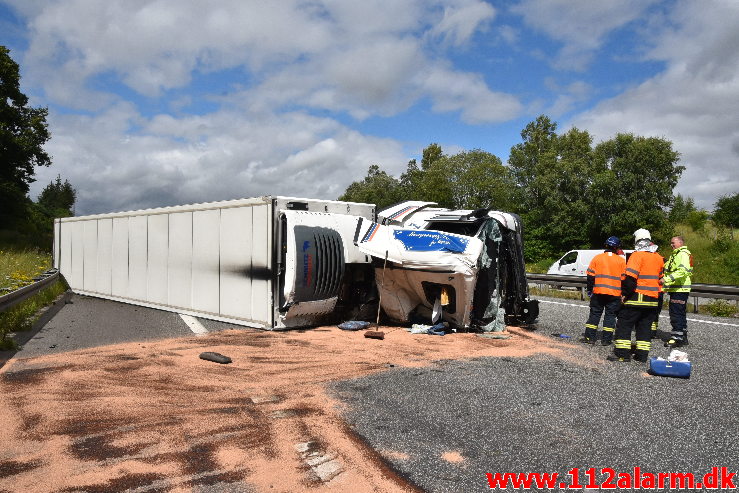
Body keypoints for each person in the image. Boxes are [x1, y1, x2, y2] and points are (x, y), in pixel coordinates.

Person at [608, 229, 664, 363]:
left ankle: (622, 354)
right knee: (644, 328)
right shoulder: (658, 257)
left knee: (624, 325)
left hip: (637, 298)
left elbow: (630, 279)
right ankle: (642, 355)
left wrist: (624, 295)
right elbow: (661, 279)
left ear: (637, 241)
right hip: (653, 300)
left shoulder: (637, 255)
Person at [580, 236, 626, 345]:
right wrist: (623, 294)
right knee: (610, 316)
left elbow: (590, 277)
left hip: (598, 292)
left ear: (606, 245)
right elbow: (624, 280)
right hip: (614, 294)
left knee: (595, 314)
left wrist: (590, 290)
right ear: (617, 247)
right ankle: (606, 340)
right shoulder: (621, 261)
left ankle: (589, 338)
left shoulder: (597, 258)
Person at [662, 236, 693, 347]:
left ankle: (677, 338)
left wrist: (666, 279)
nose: (671, 245)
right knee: (680, 313)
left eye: (673, 243)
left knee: (676, 313)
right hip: (677, 288)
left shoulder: (682, 254)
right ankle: (682, 336)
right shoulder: (676, 254)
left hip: (680, 288)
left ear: (680, 242)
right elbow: (667, 267)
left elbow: (682, 271)